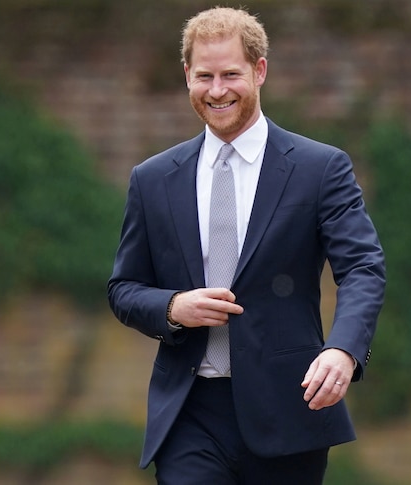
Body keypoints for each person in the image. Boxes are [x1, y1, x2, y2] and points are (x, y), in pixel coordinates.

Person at [107, 7, 385, 484]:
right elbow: (124, 288)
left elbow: (362, 267)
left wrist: (343, 349)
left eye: (230, 74)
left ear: (259, 71)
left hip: (288, 408)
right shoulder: (152, 179)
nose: (217, 91)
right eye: (204, 76)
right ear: (187, 77)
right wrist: (173, 306)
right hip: (189, 414)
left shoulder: (320, 169)